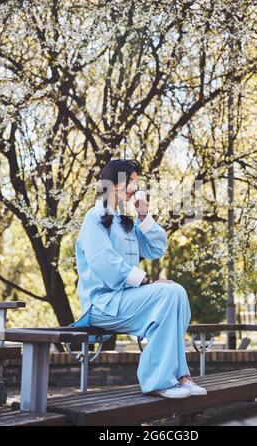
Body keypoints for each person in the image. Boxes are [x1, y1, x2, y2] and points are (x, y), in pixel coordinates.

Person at [73, 158, 207, 398]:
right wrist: (147, 282)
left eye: (136, 182)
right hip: (102, 304)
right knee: (167, 293)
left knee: (176, 292)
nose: (135, 188)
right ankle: (159, 381)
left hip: (125, 300)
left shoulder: (125, 222)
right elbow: (106, 264)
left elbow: (156, 250)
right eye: (131, 182)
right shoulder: (92, 219)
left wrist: (144, 215)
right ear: (112, 184)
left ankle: (179, 376)